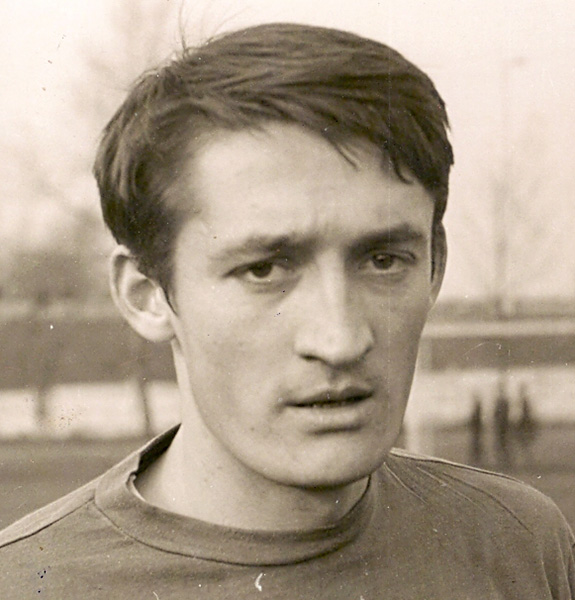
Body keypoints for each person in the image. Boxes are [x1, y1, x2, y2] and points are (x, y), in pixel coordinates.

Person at [1, 23, 573, 599]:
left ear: (434, 266)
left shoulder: (520, 543)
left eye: (383, 260)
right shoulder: (28, 585)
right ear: (146, 294)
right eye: (264, 270)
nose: (341, 338)